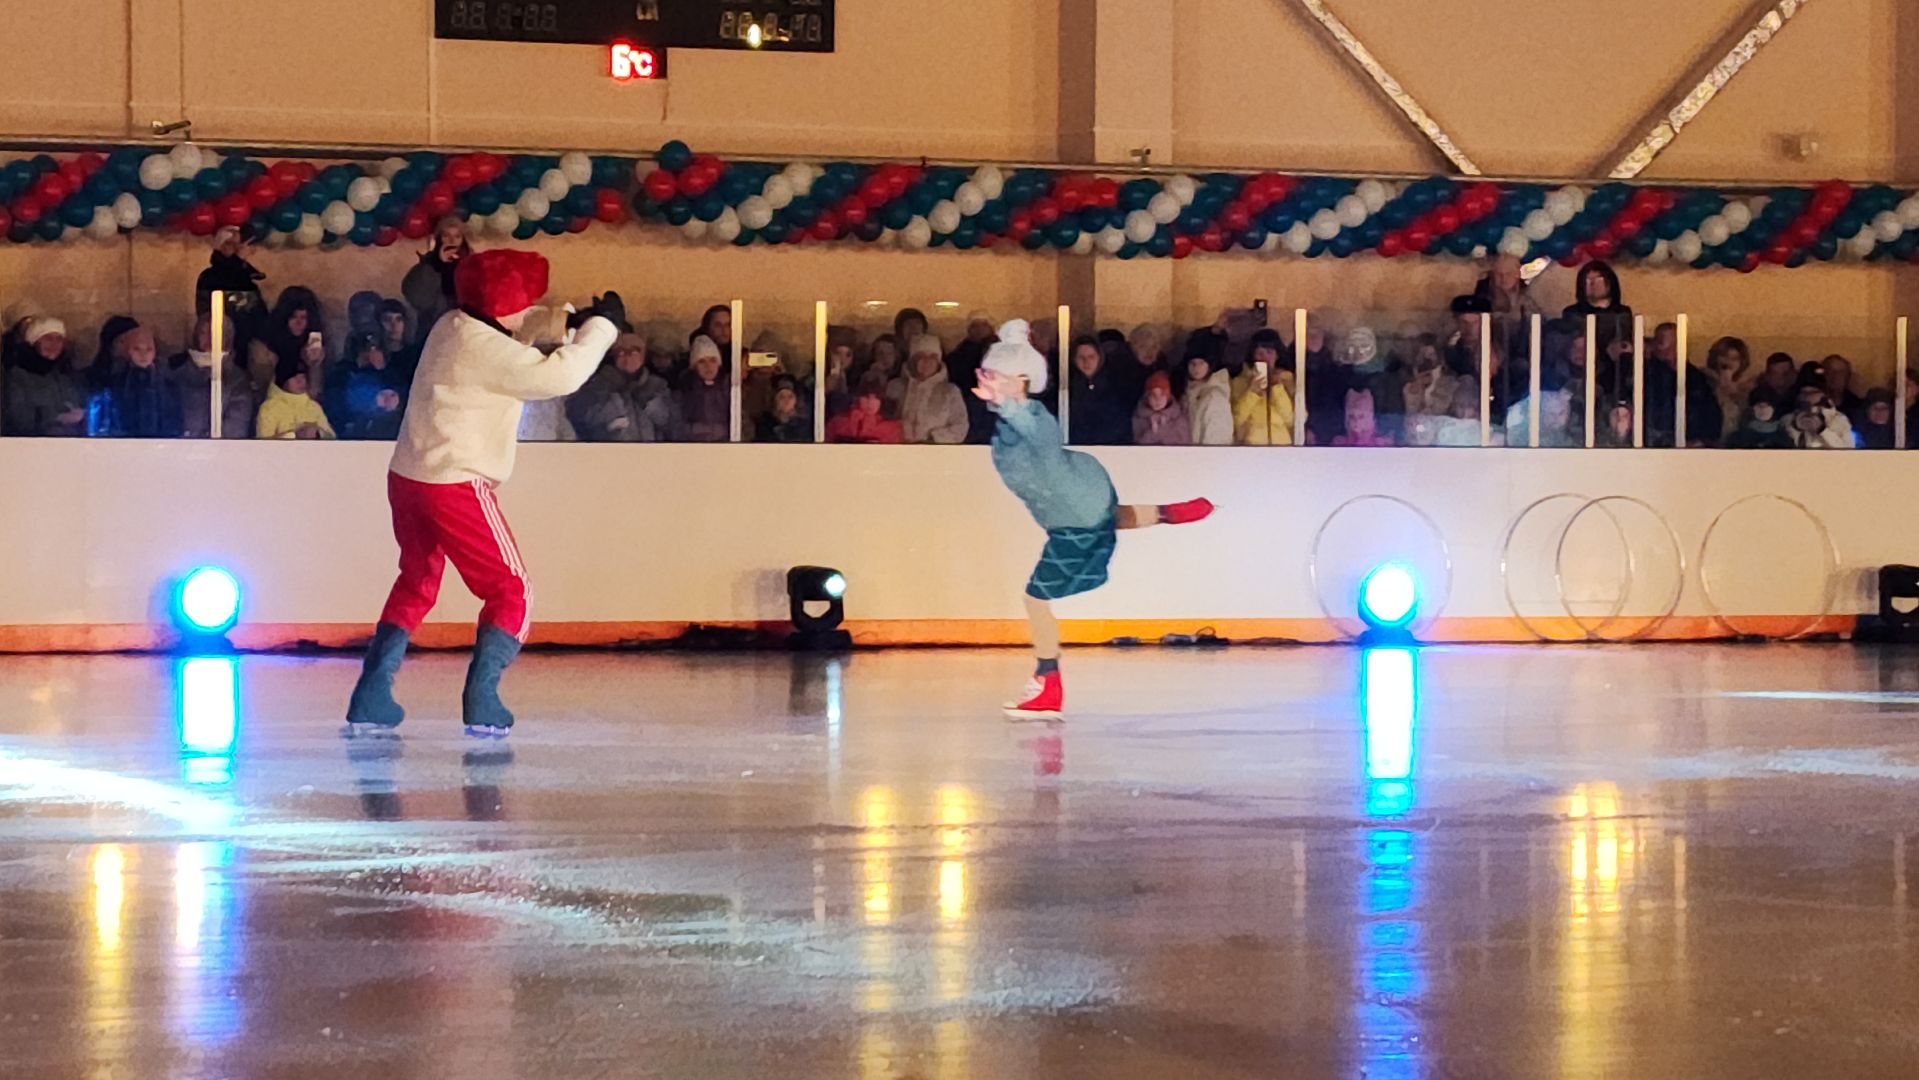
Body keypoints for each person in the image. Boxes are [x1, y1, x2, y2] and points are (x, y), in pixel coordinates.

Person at [345, 249, 619, 739]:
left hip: (409, 476)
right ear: (507, 306)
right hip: (455, 484)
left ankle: (371, 692)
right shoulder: (485, 349)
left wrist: (568, 319)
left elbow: (519, 323)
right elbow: (560, 376)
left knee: (416, 581)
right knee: (512, 588)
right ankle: (483, 697)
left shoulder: (451, 324)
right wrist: (600, 330)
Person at [974, 319, 1214, 719]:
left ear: (1020, 381)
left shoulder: (1032, 418)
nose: (987, 382)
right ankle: (1172, 512)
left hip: (1072, 508)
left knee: (1035, 599)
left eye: (996, 376)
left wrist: (1012, 403)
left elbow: (1039, 435)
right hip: (1083, 497)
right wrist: (1007, 403)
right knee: (1105, 519)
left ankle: (1048, 686)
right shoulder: (1010, 424)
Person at [568, 333, 670, 442]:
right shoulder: (597, 386)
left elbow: (670, 423)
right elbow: (584, 423)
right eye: (621, 352)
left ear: (643, 356)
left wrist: (649, 401)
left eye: (634, 351)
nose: (627, 357)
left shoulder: (657, 385)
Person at [169, 312, 255, 439]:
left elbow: (235, 429)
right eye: (203, 333)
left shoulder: (237, 380)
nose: (209, 339)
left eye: (215, 334)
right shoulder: (175, 372)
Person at [1640, 321, 1722, 447]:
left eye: (1674, 343)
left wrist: (1701, 441)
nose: (1668, 349)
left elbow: (1710, 414)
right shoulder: (1645, 375)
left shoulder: (1697, 378)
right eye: (1662, 343)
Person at [95, 324, 183, 438]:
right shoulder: (113, 385)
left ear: (155, 351)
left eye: (149, 349)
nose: (143, 354)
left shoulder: (170, 387)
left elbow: (176, 423)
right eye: (137, 349)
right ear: (127, 350)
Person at [3, 317, 86, 436]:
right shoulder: (17, 376)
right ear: (34, 341)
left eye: (59, 339)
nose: (54, 344)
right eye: (48, 339)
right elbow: (19, 419)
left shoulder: (63, 376)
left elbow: (74, 405)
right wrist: (57, 418)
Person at [1561, 261, 1634, 387]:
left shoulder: (1623, 312)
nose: (1593, 284)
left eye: (1598, 279)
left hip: (1617, 370)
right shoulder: (1572, 313)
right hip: (1584, 371)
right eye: (1587, 280)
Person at [249, 286, 327, 401]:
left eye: (304, 317)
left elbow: (315, 395)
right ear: (283, 318)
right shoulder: (264, 349)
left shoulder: (312, 346)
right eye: (293, 317)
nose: (299, 323)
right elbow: (261, 390)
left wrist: (314, 366)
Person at [195, 224, 267, 346]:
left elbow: (257, 312)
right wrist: (237, 261)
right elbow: (221, 304)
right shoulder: (208, 277)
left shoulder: (246, 278)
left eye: (238, 244)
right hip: (219, 344)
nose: (237, 249)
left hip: (246, 346)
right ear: (219, 247)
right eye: (230, 244)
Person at [401, 215, 471, 335]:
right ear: (439, 239)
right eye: (446, 236)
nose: (452, 241)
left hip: (464, 330)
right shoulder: (427, 265)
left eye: (457, 236)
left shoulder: (472, 265)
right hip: (433, 329)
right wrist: (436, 266)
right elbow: (418, 299)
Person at [333, 331, 407, 440]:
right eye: (365, 350)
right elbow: (337, 407)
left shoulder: (393, 375)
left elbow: (403, 398)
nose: (371, 354)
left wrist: (381, 369)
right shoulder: (341, 374)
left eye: (376, 349)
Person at [899, 335, 968, 444]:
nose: (927, 361)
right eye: (921, 356)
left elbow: (960, 426)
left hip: (937, 455)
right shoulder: (895, 387)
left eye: (932, 357)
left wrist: (933, 439)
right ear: (912, 360)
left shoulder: (950, 391)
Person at [1230, 330, 1295, 446]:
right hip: (1251, 447)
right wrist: (1252, 393)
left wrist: (1277, 389)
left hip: (1282, 448)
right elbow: (1234, 420)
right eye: (1259, 353)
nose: (1264, 357)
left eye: (1269, 352)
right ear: (1253, 356)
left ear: (1277, 355)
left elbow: (1292, 419)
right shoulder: (1239, 382)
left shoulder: (1287, 380)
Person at [1065, 335, 1131, 445]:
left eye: (1091, 357)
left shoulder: (1115, 385)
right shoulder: (1066, 387)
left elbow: (1121, 424)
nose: (1086, 362)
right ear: (1074, 360)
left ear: (1100, 358)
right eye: (1081, 357)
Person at [256, 355, 336, 439]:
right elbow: (263, 445)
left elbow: (332, 437)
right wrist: (294, 435)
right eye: (294, 377)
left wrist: (318, 433)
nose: (300, 382)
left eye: (303, 377)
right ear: (282, 381)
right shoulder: (269, 408)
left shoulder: (314, 407)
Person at [674, 334, 731, 442]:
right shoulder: (684, 391)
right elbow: (674, 427)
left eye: (713, 360)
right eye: (702, 361)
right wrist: (694, 429)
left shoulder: (729, 390)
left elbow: (744, 424)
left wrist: (724, 429)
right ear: (694, 366)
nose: (708, 366)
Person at [825, 374, 905, 443]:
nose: (870, 402)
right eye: (866, 397)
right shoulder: (838, 423)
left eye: (876, 398)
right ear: (858, 398)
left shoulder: (892, 429)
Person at [1182, 345, 1233, 446]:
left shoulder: (1215, 396)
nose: (1196, 368)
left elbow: (1217, 437)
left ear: (1209, 365)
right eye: (1192, 363)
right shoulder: (1189, 393)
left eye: (1201, 363)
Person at [1704, 336, 1752, 442]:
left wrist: (1735, 394)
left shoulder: (1748, 386)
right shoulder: (1702, 380)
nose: (1728, 362)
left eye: (1734, 359)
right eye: (1724, 356)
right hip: (1708, 443)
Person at [1401, 334, 1457, 419]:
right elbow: (1411, 413)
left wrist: (1433, 381)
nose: (1427, 359)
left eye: (1431, 354)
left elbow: (1439, 411)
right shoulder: (1409, 386)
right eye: (1422, 354)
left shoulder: (1450, 383)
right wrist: (1418, 384)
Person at [1132, 372, 1191, 446]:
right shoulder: (1139, 416)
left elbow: (1185, 444)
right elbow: (1137, 445)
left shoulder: (1179, 417)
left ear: (1168, 396)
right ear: (1147, 397)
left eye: (1162, 395)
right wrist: (1152, 431)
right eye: (1153, 395)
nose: (1158, 399)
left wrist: (1162, 430)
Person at [1789, 381, 1853, 449]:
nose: (1807, 396)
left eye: (1813, 392)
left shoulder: (1839, 419)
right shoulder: (1790, 419)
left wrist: (1822, 430)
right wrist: (1796, 428)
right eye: (1804, 393)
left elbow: (1848, 450)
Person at [756, 376, 813, 443]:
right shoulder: (765, 424)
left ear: (796, 400)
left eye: (790, 396)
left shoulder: (804, 426)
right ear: (774, 400)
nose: (786, 401)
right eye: (782, 397)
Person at [1725, 400, 1794, 449]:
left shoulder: (1784, 440)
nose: (1763, 409)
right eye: (1759, 405)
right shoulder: (1737, 438)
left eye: (1767, 405)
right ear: (1751, 409)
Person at [1823, 354, 1866, 424]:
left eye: (1840, 372)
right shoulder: (1814, 403)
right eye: (1830, 371)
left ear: (1847, 377)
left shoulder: (1856, 406)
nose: (1834, 376)